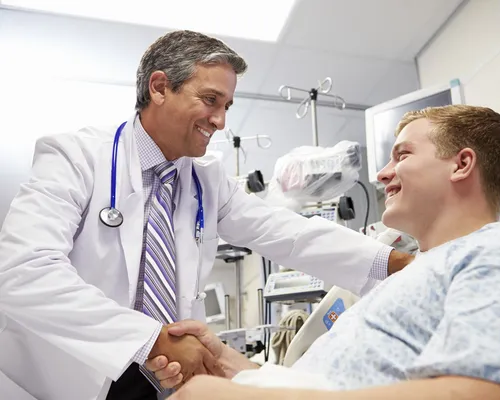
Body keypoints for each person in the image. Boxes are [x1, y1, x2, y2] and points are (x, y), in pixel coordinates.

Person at [0, 30, 412, 400]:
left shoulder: (206, 180)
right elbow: (23, 271)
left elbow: (288, 234)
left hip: (162, 378)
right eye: (211, 100)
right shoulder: (75, 157)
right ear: (160, 87)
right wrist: (149, 338)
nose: (220, 120)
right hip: (67, 377)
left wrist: (397, 264)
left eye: (227, 105)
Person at [149, 105, 500, 400]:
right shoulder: (414, 283)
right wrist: (231, 367)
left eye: (401, 155)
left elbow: (482, 392)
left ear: (462, 164)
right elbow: (331, 382)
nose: (382, 174)